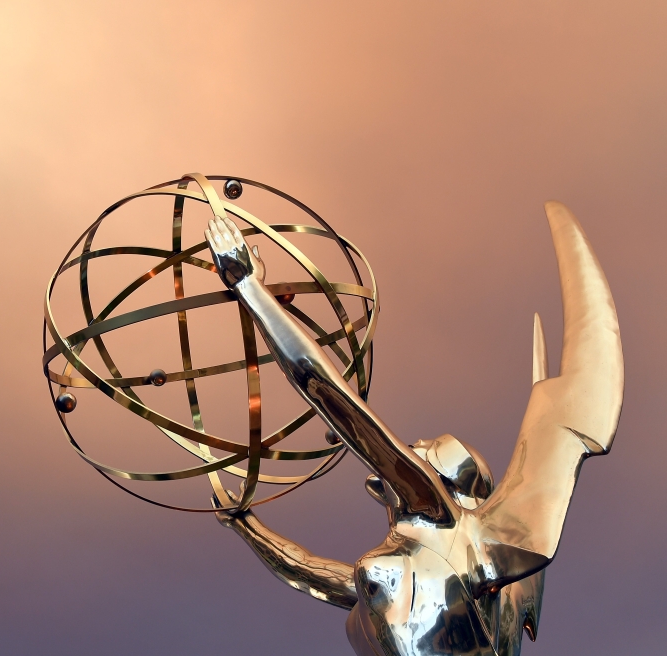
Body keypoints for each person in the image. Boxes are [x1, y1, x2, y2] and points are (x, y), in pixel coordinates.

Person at [203, 201, 621, 656]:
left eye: (421, 449)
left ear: (440, 476)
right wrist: (245, 526)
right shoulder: (424, 551)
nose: (409, 448)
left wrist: (249, 287)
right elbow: (306, 571)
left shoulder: (437, 514)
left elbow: (330, 395)